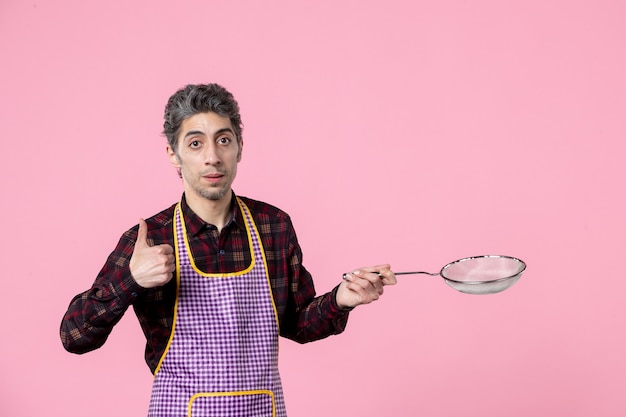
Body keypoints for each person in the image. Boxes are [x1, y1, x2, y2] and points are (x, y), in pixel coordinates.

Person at [60, 83, 397, 417]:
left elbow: (297, 323)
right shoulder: (150, 239)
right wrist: (131, 278)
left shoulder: (273, 226)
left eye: (223, 140)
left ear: (239, 148)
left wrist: (342, 298)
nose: (212, 157)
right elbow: (75, 336)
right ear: (173, 155)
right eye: (195, 143)